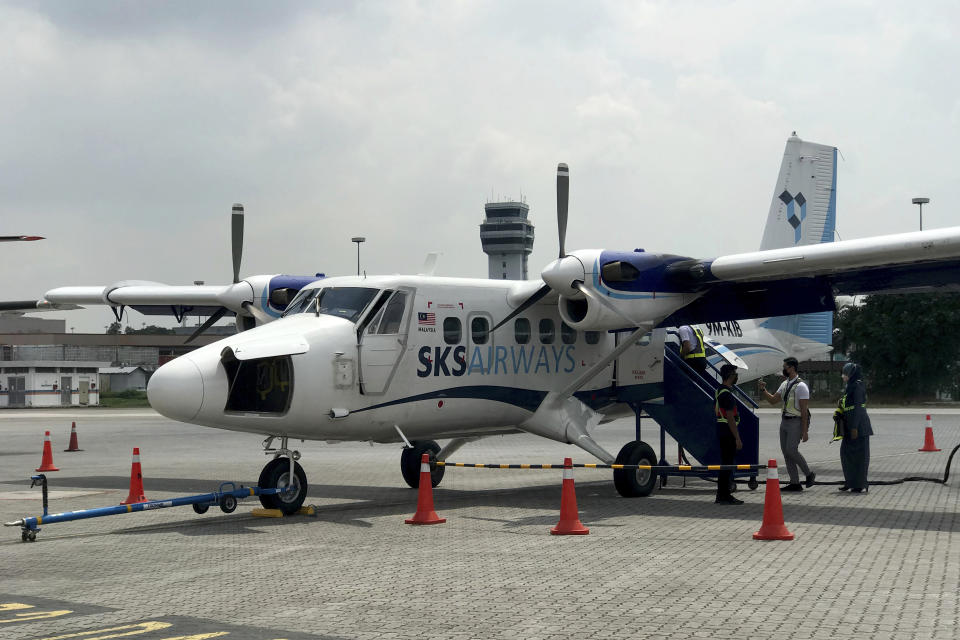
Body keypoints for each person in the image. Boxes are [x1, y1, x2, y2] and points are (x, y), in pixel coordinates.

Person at [758, 356, 815, 491]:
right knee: (786, 453)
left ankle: (809, 474)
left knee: (791, 450)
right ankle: (795, 482)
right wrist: (763, 390)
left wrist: (804, 430)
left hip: (795, 422)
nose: (783, 369)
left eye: (785, 367)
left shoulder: (801, 386)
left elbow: (804, 411)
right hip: (784, 422)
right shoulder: (784, 384)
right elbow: (773, 400)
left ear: (792, 368)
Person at [836, 362, 872, 493]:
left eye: (845, 373)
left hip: (859, 426)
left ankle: (859, 484)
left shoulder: (857, 386)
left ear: (851, 374)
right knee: (846, 454)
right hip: (849, 425)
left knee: (860, 457)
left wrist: (855, 427)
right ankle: (850, 481)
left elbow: (858, 407)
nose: (843, 376)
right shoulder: (850, 386)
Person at [714, 364, 743, 505]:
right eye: (735, 374)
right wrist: (737, 438)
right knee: (727, 464)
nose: (736, 376)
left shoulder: (719, 391)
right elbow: (730, 418)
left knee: (724, 464)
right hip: (728, 432)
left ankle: (721, 494)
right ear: (730, 376)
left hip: (721, 429)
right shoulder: (727, 394)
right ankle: (724, 495)